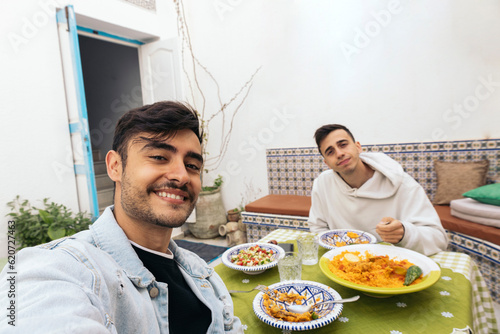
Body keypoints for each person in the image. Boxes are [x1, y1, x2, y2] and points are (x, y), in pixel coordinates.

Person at [0, 101, 243, 333]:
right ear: (115, 166)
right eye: (159, 157)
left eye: (192, 165)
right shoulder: (63, 269)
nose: (181, 176)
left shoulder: (200, 271)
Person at [308, 124, 448, 256]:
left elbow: (438, 238)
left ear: (358, 147)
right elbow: (318, 228)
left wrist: (405, 234)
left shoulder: (403, 184)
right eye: (330, 152)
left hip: (392, 263)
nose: (339, 153)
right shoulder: (322, 184)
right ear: (327, 163)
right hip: (343, 261)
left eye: (343, 145)